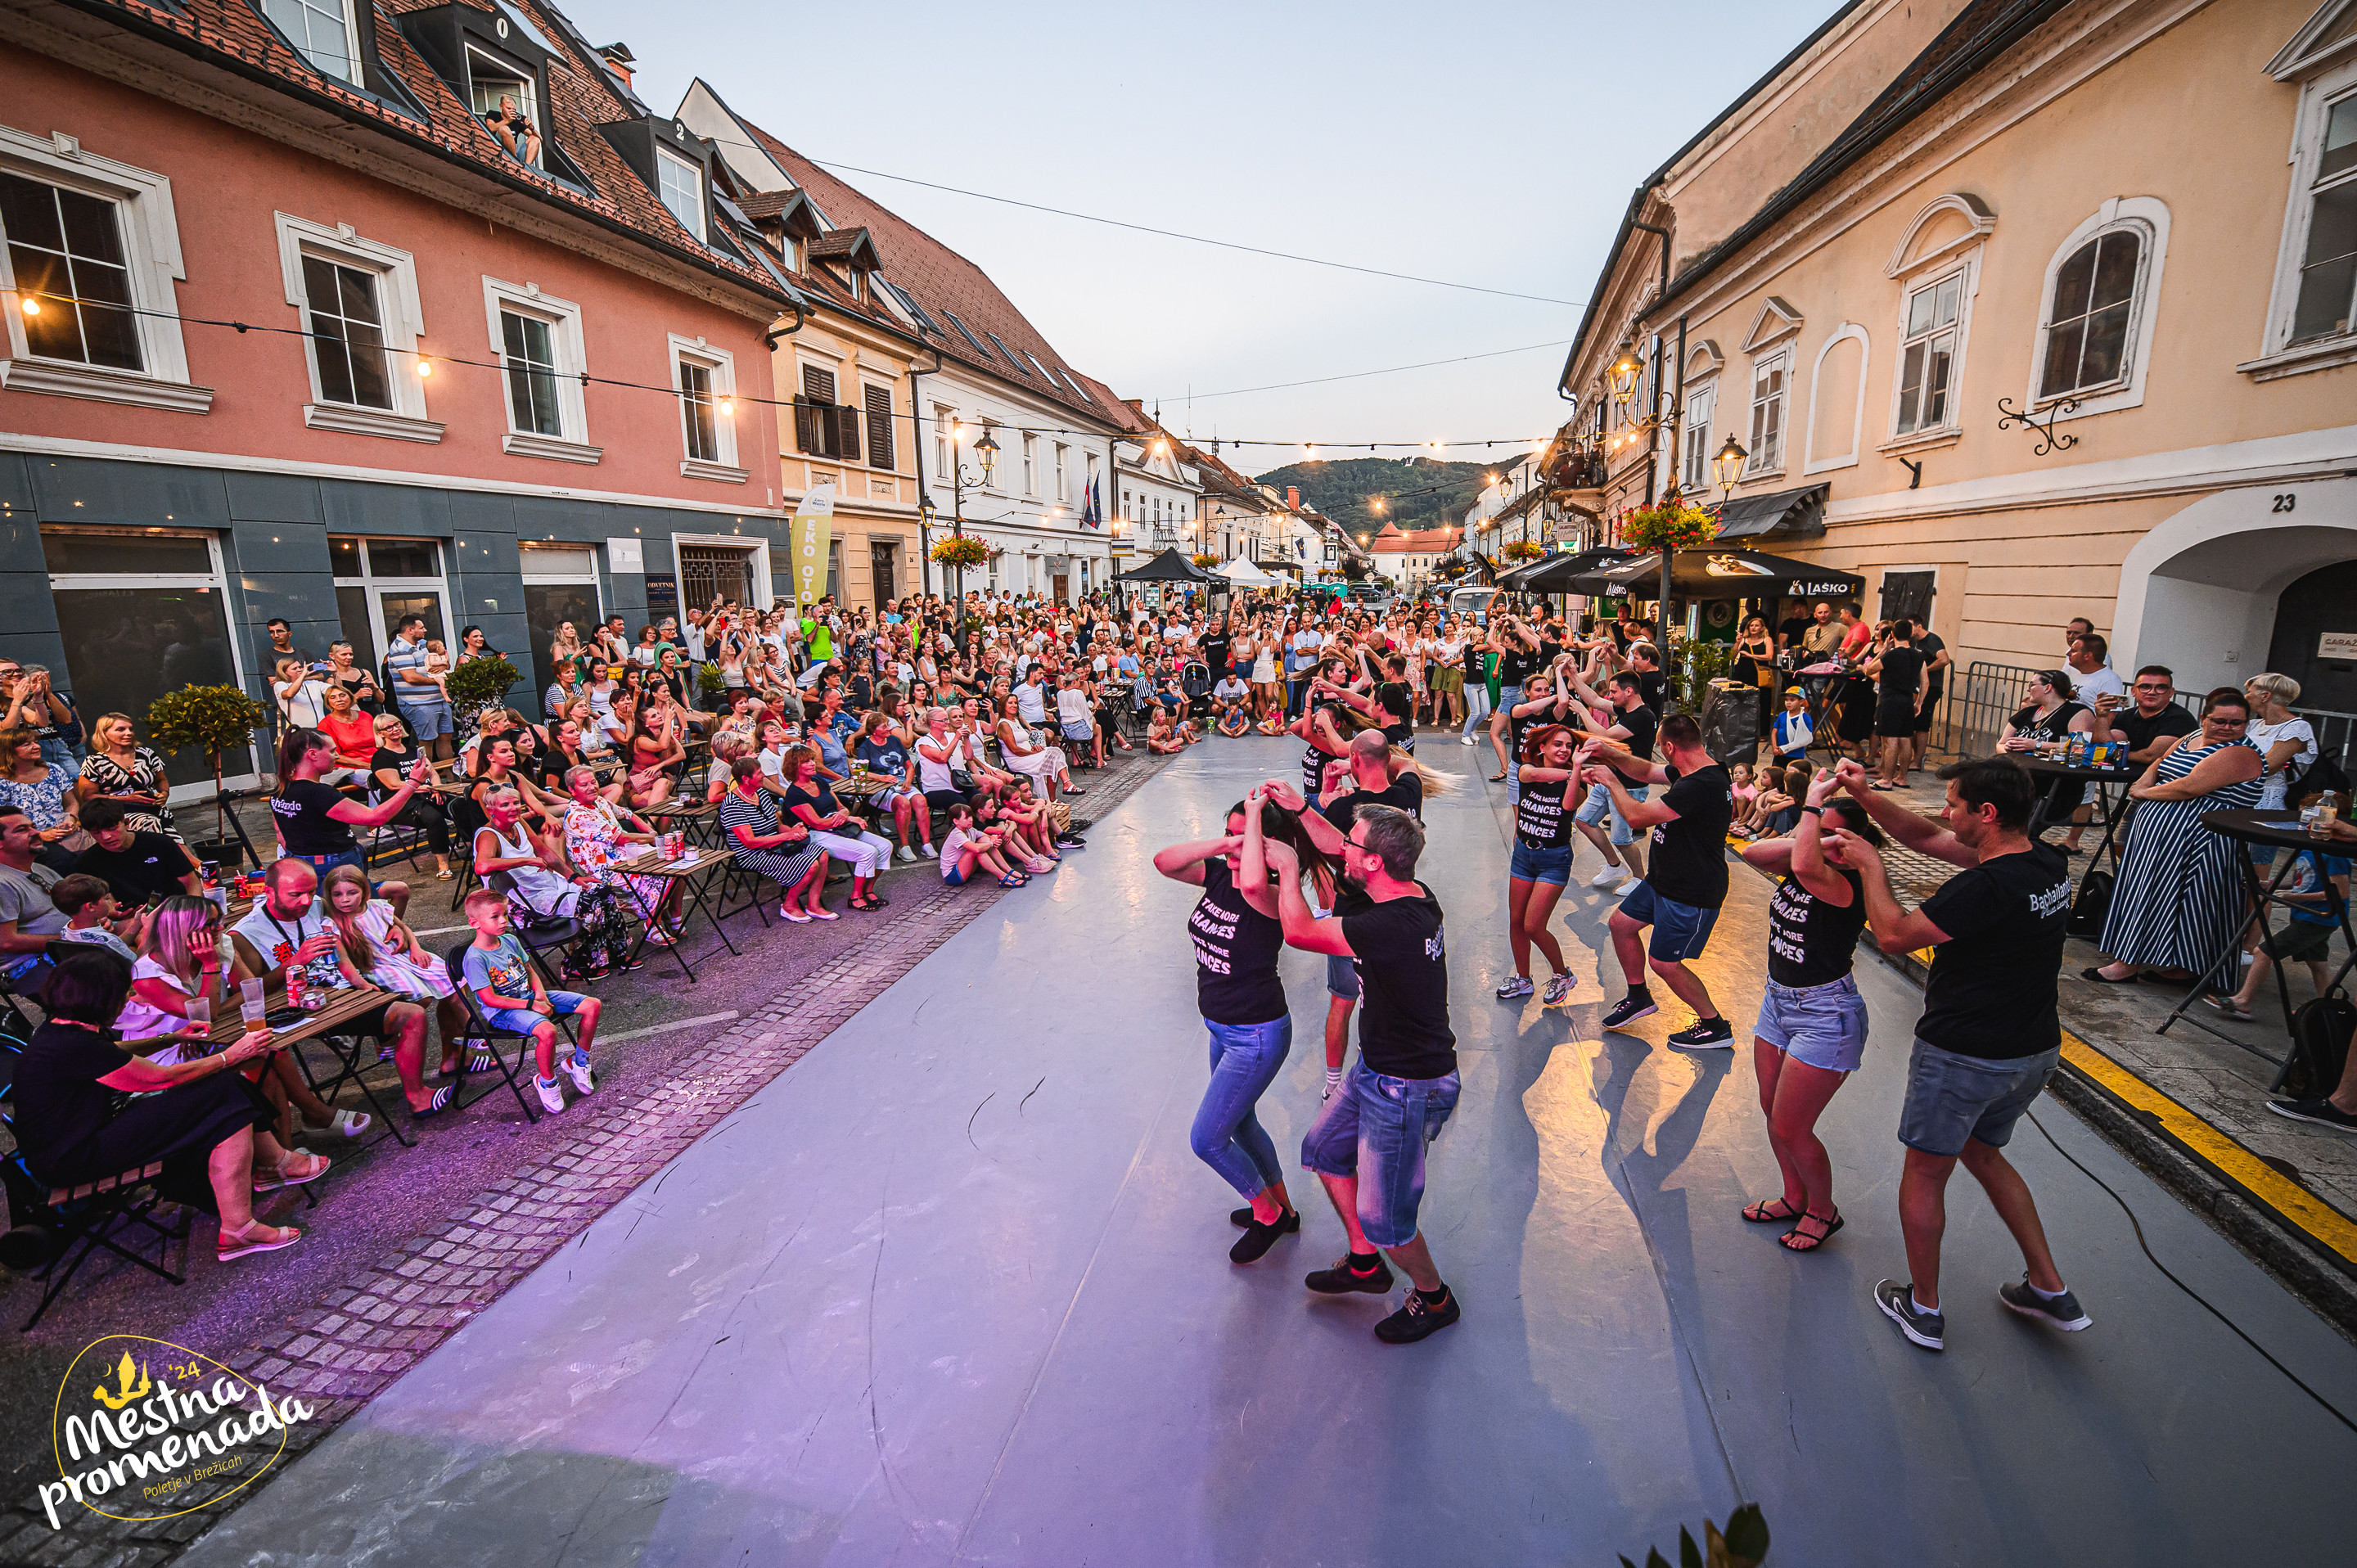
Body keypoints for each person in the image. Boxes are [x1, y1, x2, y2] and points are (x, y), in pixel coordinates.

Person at [1823, 757, 2090, 1352]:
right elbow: (1926, 837)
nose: (1944, 813)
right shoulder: (2042, 860)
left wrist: (1871, 865)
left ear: (1986, 813)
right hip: (2033, 1051)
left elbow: (1892, 934)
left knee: (1926, 1171)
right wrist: (1866, 798)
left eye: (1953, 803)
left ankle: (1922, 1309)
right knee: (1984, 1153)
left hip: (1966, 1056)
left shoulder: (1982, 888)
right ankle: (2049, 1288)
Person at [1265, 803, 1460, 1342]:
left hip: (1406, 1087)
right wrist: (1301, 809)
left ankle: (1434, 1298)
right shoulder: (1415, 896)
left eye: (1352, 846)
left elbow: (1300, 932)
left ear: (1374, 862)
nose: (1341, 850)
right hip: (1377, 1069)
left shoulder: (1383, 927)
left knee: (1387, 1222)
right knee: (1324, 1150)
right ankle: (1365, 1263)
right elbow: (1340, 849)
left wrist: (1286, 868)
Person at [11, 949, 311, 1263]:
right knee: (223, 1090)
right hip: (74, 1157)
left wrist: (169, 1039)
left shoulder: (60, 1030)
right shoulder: (75, 1045)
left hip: (71, 1144)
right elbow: (160, 1079)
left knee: (227, 1089)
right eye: (123, 993)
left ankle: (272, 1166)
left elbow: (115, 1049)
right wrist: (229, 1057)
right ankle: (241, 1224)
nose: (127, 1000)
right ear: (101, 999)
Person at [1735, 774, 1884, 1251]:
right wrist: (1812, 831)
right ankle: (1794, 1196)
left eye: (1831, 833)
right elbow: (1750, 853)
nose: (1819, 839)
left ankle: (1823, 1210)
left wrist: (1812, 809)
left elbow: (1803, 858)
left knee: (1791, 1125)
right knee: (1770, 1108)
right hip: (1777, 1001)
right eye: (1815, 831)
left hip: (1825, 1014)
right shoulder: (1804, 862)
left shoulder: (1844, 883)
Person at [1156, 792, 1304, 1266]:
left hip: (1256, 1036)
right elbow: (1164, 861)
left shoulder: (1271, 893)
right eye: (1232, 834)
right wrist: (1228, 843)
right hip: (1222, 1029)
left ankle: (1268, 1213)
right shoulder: (1219, 874)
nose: (1237, 847)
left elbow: (1256, 880)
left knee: (1207, 1139)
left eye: (1249, 838)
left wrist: (1256, 824)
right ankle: (1286, 1207)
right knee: (1240, 1124)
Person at [228, 858, 446, 1122]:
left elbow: (371, 911)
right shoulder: (246, 935)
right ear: (269, 892)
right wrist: (294, 962)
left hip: (342, 991)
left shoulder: (318, 905)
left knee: (413, 1011)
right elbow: (251, 993)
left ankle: (417, 1095)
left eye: (310, 892)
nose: (307, 902)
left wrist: (397, 929)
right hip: (296, 1009)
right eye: (296, 895)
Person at [2084, 689, 2265, 985]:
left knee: (2192, 902)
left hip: (2204, 843)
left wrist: (2143, 793)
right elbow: (2158, 764)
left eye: (2238, 723)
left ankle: (2170, 966)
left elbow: (2189, 787)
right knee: (2145, 895)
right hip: (2160, 838)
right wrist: (2143, 782)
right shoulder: (2191, 737)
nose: (2228, 728)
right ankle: (2139, 961)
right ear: (2204, 718)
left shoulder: (2239, 752)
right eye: (2220, 721)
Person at [1585, 713, 1737, 1048]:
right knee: (1621, 925)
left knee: (1664, 963)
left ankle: (1715, 1025)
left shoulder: (1700, 786)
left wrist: (1611, 782)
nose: (1658, 755)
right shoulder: (1694, 769)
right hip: (1663, 881)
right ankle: (1639, 996)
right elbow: (1646, 771)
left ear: (1670, 747)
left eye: (1659, 748)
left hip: (1691, 891)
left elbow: (1638, 816)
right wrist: (1610, 754)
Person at [462, 889, 602, 1118]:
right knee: (547, 1032)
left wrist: (540, 996)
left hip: (530, 997)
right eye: (495, 917)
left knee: (592, 1005)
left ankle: (579, 1062)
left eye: (505, 914)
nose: (504, 921)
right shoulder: (476, 958)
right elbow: (489, 999)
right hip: (503, 1011)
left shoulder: (509, 940)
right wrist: (531, 1006)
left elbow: (529, 970)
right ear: (475, 923)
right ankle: (547, 1082)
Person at [270, 728, 426, 908]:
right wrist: (413, 784)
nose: (336, 756)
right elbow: (375, 817)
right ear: (312, 754)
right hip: (337, 866)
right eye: (331, 751)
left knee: (398, 892)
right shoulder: (320, 794)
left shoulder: (281, 789)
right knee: (367, 919)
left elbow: (281, 836)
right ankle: (384, 935)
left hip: (304, 865)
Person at [2213, 844, 2350, 1025]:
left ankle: (2243, 1001)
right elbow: (2303, 880)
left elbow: (2340, 892)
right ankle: (2332, 1009)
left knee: (2263, 952)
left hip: (2318, 919)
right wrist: (2270, 884)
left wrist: (2293, 897)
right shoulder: (2308, 848)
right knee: (2317, 963)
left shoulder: (2334, 853)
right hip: (2305, 915)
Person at [1496, 724, 1583, 1006]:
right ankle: (1523, 979)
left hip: (1554, 860)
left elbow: (1568, 807)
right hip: (1523, 854)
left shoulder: (1576, 783)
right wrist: (1575, 770)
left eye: (1569, 746)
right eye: (1557, 744)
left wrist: (1577, 773)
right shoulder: (1526, 771)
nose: (1564, 750)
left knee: (1533, 925)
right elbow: (1531, 774)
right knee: (1515, 920)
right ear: (1542, 747)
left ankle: (1562, 974)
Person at [1566, 671, 1658, 895]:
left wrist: (1581, 712)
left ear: (1629, 691)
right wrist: (1572, 674)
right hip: (1608, 779)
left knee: (1621, 838)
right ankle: (1614, 865)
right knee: (1584, 821)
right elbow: (1595, 700)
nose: (1610, 696)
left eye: (1614, 691)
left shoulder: (1642, 716)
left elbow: (1605, 736)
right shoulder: (1625, 709)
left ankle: (1640, 879)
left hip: (1628, 786)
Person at [778, 745, 895, 912]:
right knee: (868, 852)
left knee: (885, 846)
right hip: (816, 835)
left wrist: (847, 816)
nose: (812, 764)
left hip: (839, 826)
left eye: (812, 760)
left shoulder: (818, 781)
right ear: (795, 766)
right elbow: (816, 823)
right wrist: (841, 818)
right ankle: (856, 897)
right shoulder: (794, 793)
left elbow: (841, 807)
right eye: (806, 762)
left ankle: (867, 890)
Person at [719, 757, 831, 921]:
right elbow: (749, 842)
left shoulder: (761, 793)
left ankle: (814, 906)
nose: (763, 775)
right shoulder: (733, 805)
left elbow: (777, 825)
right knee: (810, 865)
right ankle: (789, 905)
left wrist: (794, 831)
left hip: (777, 844)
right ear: (746, 779)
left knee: (823, 855)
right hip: (752, 854)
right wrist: (787, 836)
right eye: (759, 773)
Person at [1999, 669, 2097, 846]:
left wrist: (2036, 745)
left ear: (2048, 688)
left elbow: (2080, 747)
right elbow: (2001, 743)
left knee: (2023, 833)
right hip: (2018, 780)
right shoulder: (2027, 713)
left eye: (2032, 685)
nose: (2028, 689)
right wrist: (2008, 753)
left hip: (2055, 786)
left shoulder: (2077, 712)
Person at [71, 798, 201, 906]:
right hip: (130, 919)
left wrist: (192, 909)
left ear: (125, 823)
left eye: (112, 828)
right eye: (96, 832)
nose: (106, 837)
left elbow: (191, 882)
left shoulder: (159, 843)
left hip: (174, 908)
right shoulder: (86, 864)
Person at [77, 713, 178, 840]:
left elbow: (161, 780)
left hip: (151, 809)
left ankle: (185, 858)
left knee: (164, 830)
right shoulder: (95, 762)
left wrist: (164, 794)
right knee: (152, 825)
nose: (129, 733)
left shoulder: (147, 754)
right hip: (118, 814)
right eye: (120, 729)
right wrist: (127, 798)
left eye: (131, 729)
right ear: (104, 733)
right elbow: (89, 796)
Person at [1, 723, 84, 873]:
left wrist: (70, 820)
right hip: (29, 838)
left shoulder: (54, 770)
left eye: (36, 742)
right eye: (27, 744)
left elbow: (71, 803)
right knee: (63, 860)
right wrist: (41, 835)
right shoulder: (2, 782)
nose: (36, 746)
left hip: (63, 830)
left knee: (96, 853)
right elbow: (5, 825)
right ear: (9, 751)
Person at [1864, 619, 1924, 790]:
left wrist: (1883, 651)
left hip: (1890, 701)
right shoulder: (1918, 655)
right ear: (1911, 634)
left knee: (1889, 742)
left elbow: (1869, 670)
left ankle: (1887, 779)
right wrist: (1919, 702)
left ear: (1892, 635)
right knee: (1905, 739)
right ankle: (1902, 778)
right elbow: (1924, 680)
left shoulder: (1892, 655)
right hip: (1907, 700)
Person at [2106, 666, 2198, 766]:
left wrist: (2117, 754)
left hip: (2167, 779)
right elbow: (2107, 745)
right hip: (2134, 776)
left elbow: (2151, 757)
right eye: (2145, 687)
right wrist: (2101, 717)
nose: (2152, 692)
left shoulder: (2180, 718)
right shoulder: (2126, 715)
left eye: (2161, 688)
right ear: (2133, 691)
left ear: (2171, 692)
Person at [1770, 687, 1814, 766]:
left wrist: (1786, 748)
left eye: (1792, 700)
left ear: (1801, 702)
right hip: (1780, 754)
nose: (1788, 703)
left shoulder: (1805, 719)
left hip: (1796, 756)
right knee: (1776, 775)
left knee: (1793, 777)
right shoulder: (1782, 715)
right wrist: (1774, 747)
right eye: (1786, 700)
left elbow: (1807, 738)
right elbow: (1774, 731)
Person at [1212, 669, 1253, 737]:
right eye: (1230, 679)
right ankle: (1222, 719)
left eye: (1234, 679)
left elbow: (1247, 697)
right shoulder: (1221, 683)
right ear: (1226, 679)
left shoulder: (1240, 682)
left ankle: (1243, 718)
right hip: (1226, 706)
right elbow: (1216, 698)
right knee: (1214, 707)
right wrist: (1225, 706)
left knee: (1249, 705)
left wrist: (1238, 705)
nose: (1232, 681)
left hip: (1238, 706)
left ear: (1236, 678)